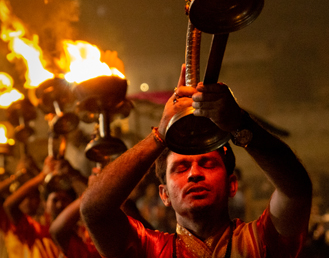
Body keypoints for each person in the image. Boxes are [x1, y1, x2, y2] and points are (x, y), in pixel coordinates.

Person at [80, 65, 313, 258]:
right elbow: (94, 211)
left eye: (208, 164)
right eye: (180, 168)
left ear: (232, 184)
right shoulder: (150, 250)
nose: (194, 173)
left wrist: (240, 124)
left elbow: (296, 192)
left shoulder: (260, 241)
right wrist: (160, 134)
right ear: (164, 194)